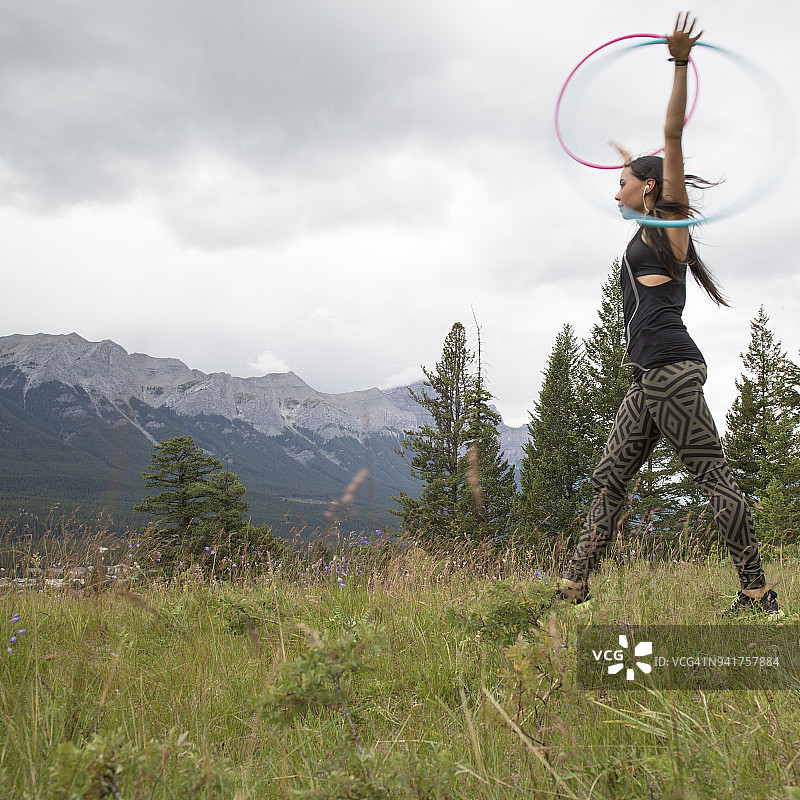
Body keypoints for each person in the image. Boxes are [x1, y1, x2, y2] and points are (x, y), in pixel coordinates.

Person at [557, 13, 782, 617]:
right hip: (650, 379)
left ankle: (756, 590)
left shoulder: (669, 230)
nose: (616, 190)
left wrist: (680, 63)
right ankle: (573, 586)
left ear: (652, 190)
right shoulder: (649, 227)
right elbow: (648, 165)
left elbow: (672, 140)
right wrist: (628, 157)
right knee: (610, 478)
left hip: (673, 375)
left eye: (624, 182)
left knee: (713, 481)